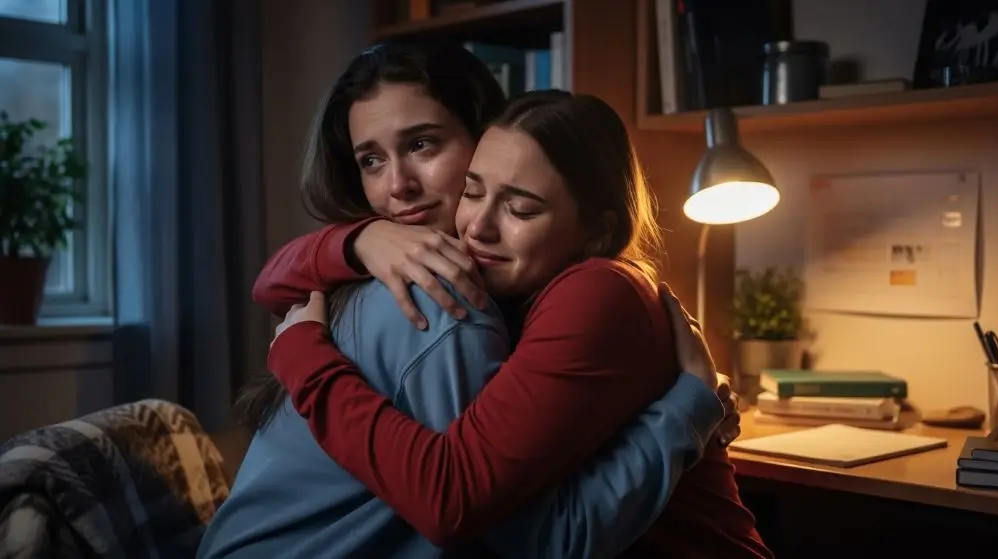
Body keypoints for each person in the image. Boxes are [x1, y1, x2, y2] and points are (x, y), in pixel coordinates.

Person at [199, 43, 746, 559]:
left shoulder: (464, 298)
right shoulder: (423, 280)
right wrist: (357, 239)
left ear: (486, 135)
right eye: (371, 160)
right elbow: (270, 285)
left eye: (422, 144)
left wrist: (304, 358)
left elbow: (468, 507)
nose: (398, 187)